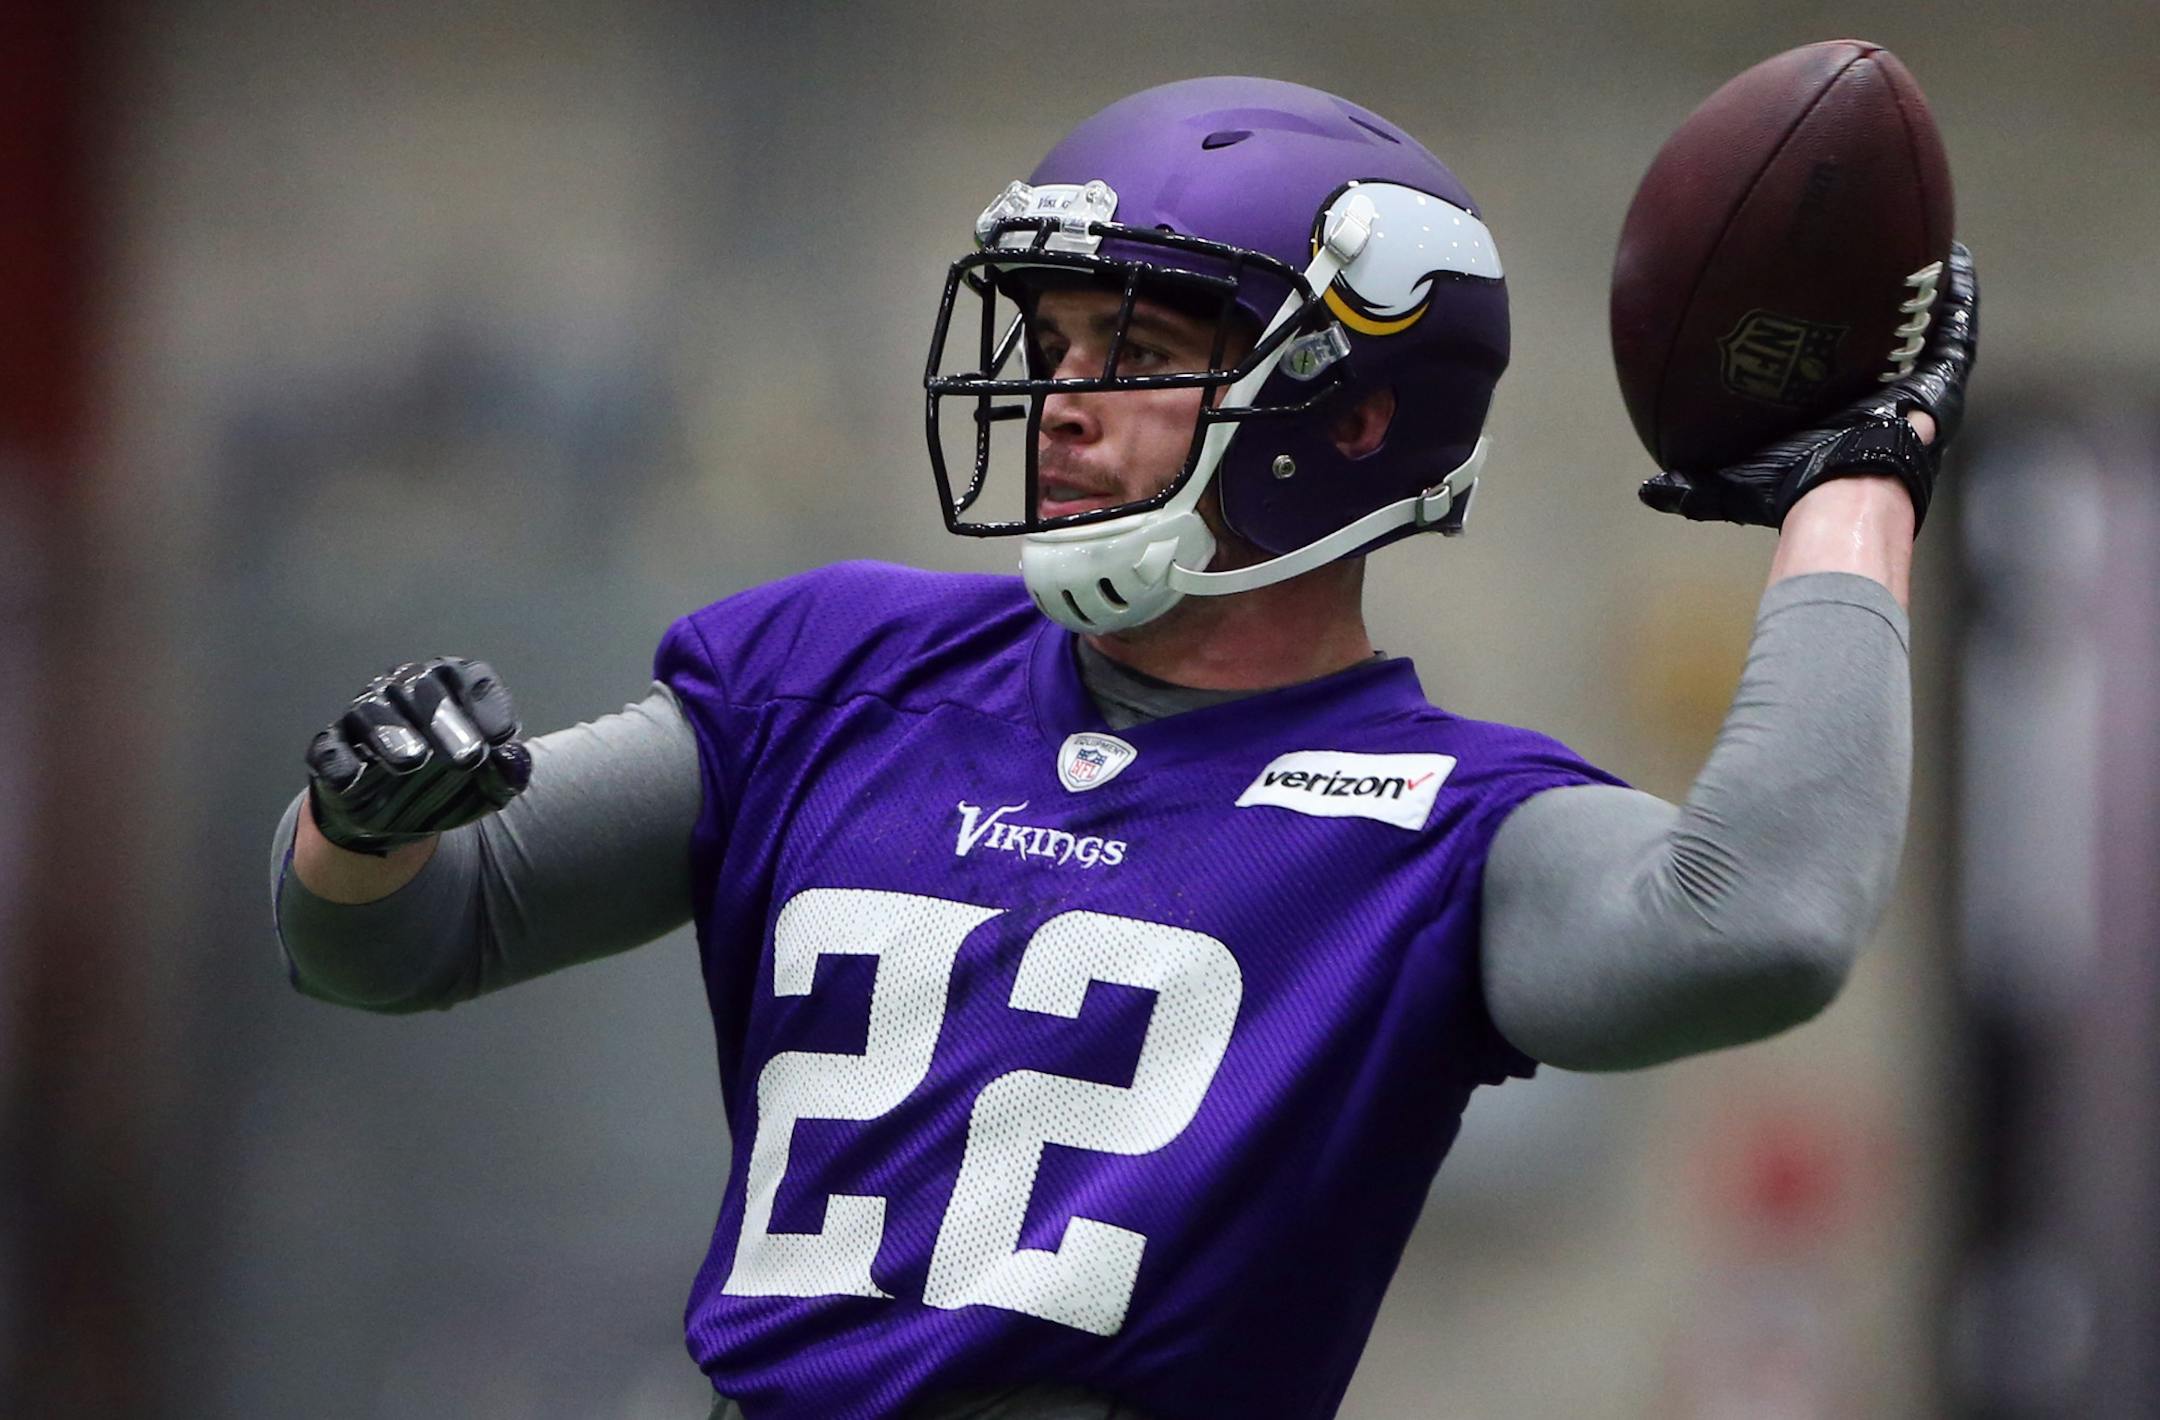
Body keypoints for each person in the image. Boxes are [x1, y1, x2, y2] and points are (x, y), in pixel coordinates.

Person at [271, 76, 1976, 1420]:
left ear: (1354, 415)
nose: (1061, 399)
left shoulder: (1442, 826)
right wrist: (362, 825)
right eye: (1052, 345)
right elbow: (397, 938)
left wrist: (1850, 495)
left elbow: (1759, 922)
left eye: (1137, 352)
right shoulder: (838, 674)